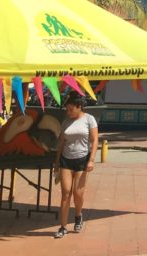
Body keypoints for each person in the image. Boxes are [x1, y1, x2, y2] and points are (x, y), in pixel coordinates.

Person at [53, 94, 99, 238]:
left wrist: (91, 159)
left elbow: (94, 140)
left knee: (77, 194)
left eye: (71, 109)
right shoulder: (66, 121)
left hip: (82, 160)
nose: (68, 112)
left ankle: (78, 216)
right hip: (66, 159)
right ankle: (63, 226)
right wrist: (57, 161)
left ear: (79, 107)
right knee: (66, 192)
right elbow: (61, 142)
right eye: (67, 109)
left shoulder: (89, 119)